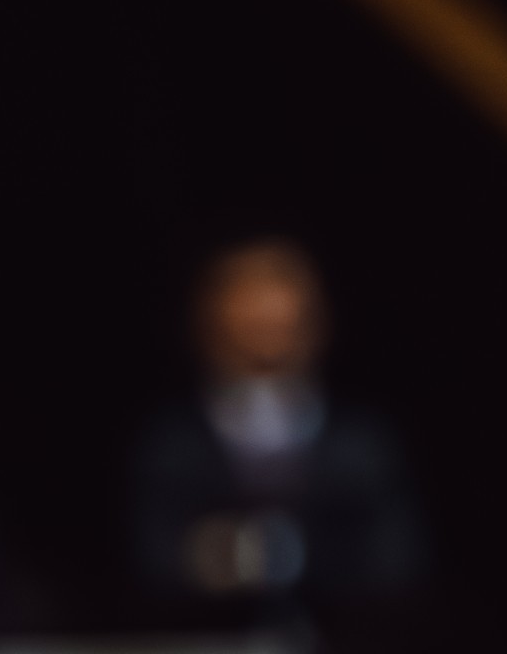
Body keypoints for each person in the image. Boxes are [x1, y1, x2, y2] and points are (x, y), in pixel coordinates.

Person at [126, 239, 427, 614]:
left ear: (314, 330)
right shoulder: (173, 447)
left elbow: (391, 562)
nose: (265, 348)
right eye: (248, 333)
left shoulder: (360, 446)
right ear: (209, 332)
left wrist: (253, 552)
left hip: (339, 637)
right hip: (207, 638)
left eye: (280, 332)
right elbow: (154, 561)